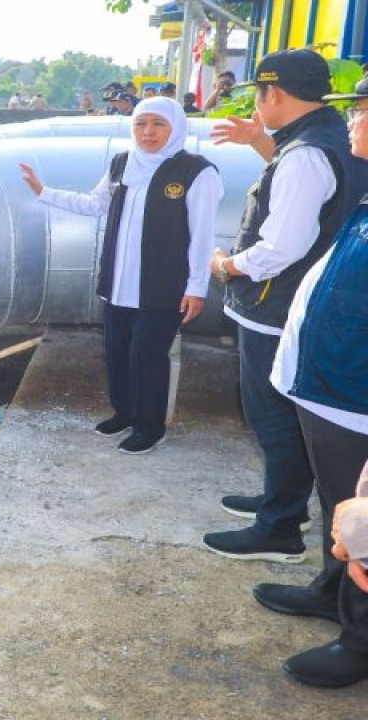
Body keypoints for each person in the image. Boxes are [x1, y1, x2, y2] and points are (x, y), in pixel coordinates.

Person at [202, 49, 368, 565]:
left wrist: (228, 266)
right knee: (286, 421)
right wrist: (262, 145)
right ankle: (281, 500)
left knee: (273, 417)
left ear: (272, 93)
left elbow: (281, 246)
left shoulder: (304, 154)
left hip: (273, 308)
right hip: (297, 305)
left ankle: (279, 526)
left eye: (258, 93)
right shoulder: (320, 140)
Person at [19, 96, 223, 454]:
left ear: (175, 127)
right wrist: (44, 192)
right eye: (141, 124)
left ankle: (150, 426)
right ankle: (125, 413)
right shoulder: (122, 163)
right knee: (117, 352)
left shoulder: (196, 172)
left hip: (163, 285)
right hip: (119, 281)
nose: (148, 132)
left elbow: (203, 236)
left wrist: (196, 288)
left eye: (158, 124)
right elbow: (95, 204)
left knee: (148, 354)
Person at [260, 75, 368, 688]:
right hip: (334, 386)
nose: (351, 118)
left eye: (362, 109)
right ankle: (333, 590)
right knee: (343, 511)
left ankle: (360, 642)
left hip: (355, 391)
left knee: (362, 511)